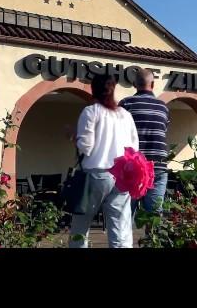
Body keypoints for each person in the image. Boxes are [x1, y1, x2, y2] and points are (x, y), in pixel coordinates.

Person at [68, 73, 139, 248]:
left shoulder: (91, 111)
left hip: (95, 175)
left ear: (93, 89)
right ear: (113, 89)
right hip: (122, 176)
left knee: (80, 227)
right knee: (120, 229)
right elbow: (134, 148)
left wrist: (73, 136)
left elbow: (86, 146)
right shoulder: (125, 115)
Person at [119, 68, 170, 215]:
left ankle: (126, 238)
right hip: (158, 165)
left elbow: (119, 133)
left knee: (125, 214)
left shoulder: (125, 104)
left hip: (132, 167)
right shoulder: (163, 107)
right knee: (154, 214)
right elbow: (164, 129)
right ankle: (152, 238)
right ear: (152, 84)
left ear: (134, 84)